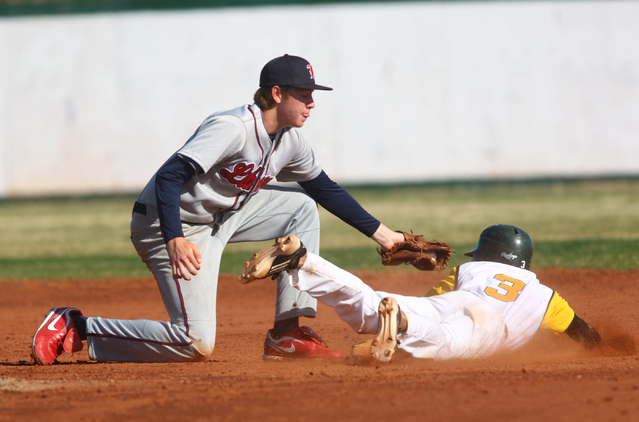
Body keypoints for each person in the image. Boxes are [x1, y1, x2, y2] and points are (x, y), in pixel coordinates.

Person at [31, 54, 405, 365]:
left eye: (312, 94)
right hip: (167, 223)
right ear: (277, 93)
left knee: (302, 210)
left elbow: (325, 190)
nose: (311, 102)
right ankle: (76, 326)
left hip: (223, 216)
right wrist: (174, 238)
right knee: (195, 342)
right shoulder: (233, 127)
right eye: (303, 93)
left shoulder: (290, 141)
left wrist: (387, 237)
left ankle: (287, 333)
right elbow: (169, 177)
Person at [240, 224, 601, 362]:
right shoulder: (546, 296)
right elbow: (582, 333)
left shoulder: (470, 269)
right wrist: (602, 346)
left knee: (371, 303)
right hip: (488, 326)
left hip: (456, 301)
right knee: (444, 340)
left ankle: (304, 262)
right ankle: (403, 324)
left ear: (487, 254)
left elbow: (435, 303)